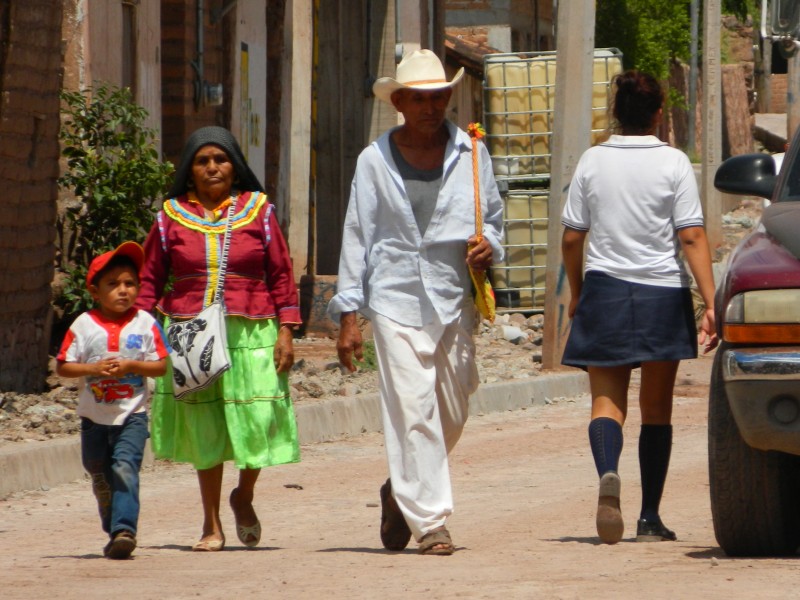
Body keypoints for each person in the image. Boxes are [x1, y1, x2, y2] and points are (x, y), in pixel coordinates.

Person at [328, 49, 504, 555]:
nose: (432, 107)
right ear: (400, 101)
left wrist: (489, 244)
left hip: (453, 296)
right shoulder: (373, 160)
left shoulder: (473, 155)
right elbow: (357, 234)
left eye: (440, 97)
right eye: (421, 99)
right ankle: (431, 522)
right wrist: (348, 315)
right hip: (394, 297)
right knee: (412, 410)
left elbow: (492, 215)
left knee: (452, 406)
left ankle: (398, 489)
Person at [560, 70, 718, 545]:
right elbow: (690, 235)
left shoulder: (592, 160)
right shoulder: (673, 163)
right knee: (656, 409)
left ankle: (609, 472)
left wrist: (578, 291)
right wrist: (712, 303)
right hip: (661, 295)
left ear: (616, 113)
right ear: (657, 114)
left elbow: (572, 237)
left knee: (606, 403)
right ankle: (650, 517)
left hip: (605, 291)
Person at [136, 126, 301, 552]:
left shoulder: (258, 211)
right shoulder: (170, 215)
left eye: (221, 159)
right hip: (191, 334)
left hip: (253, 328)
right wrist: (138, 332)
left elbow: (281, 272)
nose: (212, 167)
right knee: (205, 423)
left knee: (258, 416)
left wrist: (286, 329)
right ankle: (210, 524)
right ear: (190, 172)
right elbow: (151, 277)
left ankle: (243, 495)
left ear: (235, 167)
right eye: (202, 161)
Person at [56, 242, 169, 559]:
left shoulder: (145, 323)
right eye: (113, 284)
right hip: (93, 418)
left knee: (124, 467)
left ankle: (124, 531)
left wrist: (133, 366)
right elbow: (62, 366)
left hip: (132, 415)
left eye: (130, 283)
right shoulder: (83, 325)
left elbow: (160, 366)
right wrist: (92, 368)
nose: (123, 291)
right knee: (97, 470)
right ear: (94, 290)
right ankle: (112, 518)